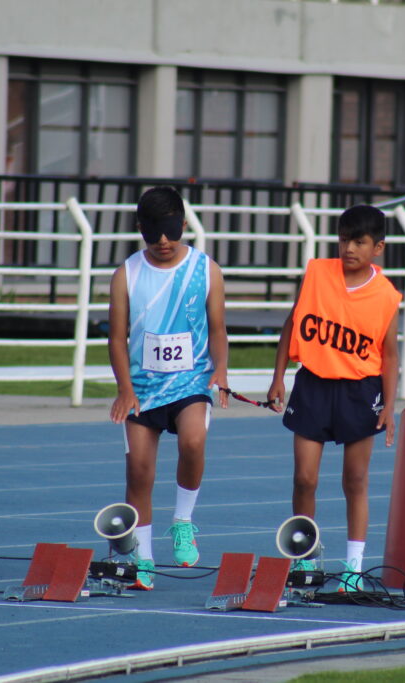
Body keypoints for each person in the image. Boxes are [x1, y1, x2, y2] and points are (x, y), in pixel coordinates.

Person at [267, 204, 401, 593]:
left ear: (377, 247)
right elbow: (291, 323)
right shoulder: (317, 273)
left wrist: (390, 405)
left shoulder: (386, 295)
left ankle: (353, 569)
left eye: (359, 242)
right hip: (313, 385)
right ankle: (304, 559)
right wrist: (278, 377)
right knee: (304, 478)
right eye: (344, 239)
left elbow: (389, 354)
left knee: (354, 480)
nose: (349, 248)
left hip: (360, 391)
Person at [107, 186, 229, 590]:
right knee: (139, 472)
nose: (163, 241)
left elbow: (217, 328)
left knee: (193, 441)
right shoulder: (126, 274)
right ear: (140, 228)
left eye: (172, 230)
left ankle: (183, 521)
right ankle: (142, 555)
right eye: (154, 232)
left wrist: (221, 370)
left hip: (191, 380)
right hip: (143, 387)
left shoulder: (205, 268)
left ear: (183, 223)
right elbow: (117, 338)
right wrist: (125, 389)